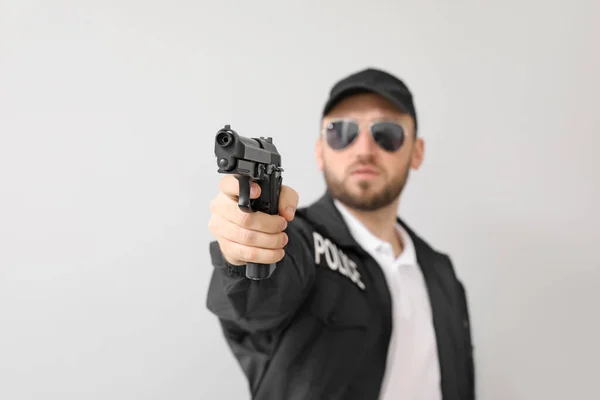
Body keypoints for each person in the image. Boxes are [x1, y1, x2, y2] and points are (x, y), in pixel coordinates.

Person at [206, 67, 475, 400]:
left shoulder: (442, 274)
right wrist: (242, 252)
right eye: (341, 131)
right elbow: (254, 303)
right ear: (320, 151)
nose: (363, 149)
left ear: (416, 152)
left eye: (387, 133)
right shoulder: (297, 242)